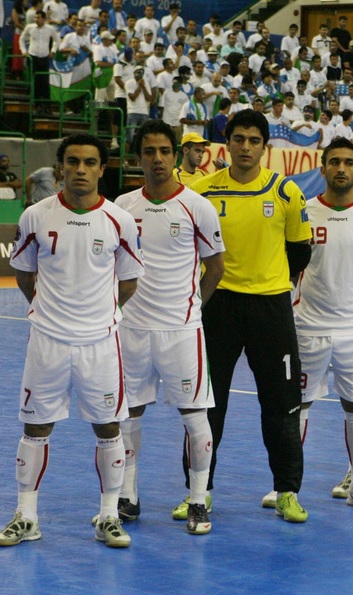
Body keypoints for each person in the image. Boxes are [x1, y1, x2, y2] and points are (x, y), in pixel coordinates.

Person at [0, 134, 144, 549]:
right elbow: (25, 274)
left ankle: (110, 516)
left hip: (100, 343)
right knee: (35, 426)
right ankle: (27, 516)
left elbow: (128, 281)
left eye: (90, 162)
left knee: (109, 427)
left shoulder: (120, 220)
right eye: (73, 161)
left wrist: (97, 314)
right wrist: (49, 311)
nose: (81, 169)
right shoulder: (36, 216)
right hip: (47, 340)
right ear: (61, 167)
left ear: (102, 169)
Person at [186, 110, 311, 524]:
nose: (245, 147)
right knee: (207, 404)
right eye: (238, 139)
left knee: (282, 405)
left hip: (271, 308)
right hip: (218, 305)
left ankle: (287, 491)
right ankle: (198, 492)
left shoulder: (285, 191)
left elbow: (300, 253)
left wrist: (269, 279)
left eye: (254, 140)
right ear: (227, 144)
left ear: (264, 147)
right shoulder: (202, 192)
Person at [114, 121, 223, 534]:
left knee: (196, 417)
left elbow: (215, 269)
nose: (157, 159)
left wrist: (192, 309)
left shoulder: (198, 207)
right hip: (133, 331)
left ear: (175, 156)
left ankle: (198, 500)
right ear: (137, 157)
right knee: (128, 416)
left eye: (164, 151)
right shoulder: (122, 207)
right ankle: (128, 495)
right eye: (149, 151)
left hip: (181, 332)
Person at [293, 137, 353, 511]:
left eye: (348, 162)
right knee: (297, 407)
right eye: (334, 162)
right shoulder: (304, 212)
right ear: (323, 168)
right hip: (308, 328)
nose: (341, 168)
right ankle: (288, 486)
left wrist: (350, 300)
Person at [20, 10, 60, 111]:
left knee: (45, 82)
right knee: (36, 81)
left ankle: (47, 106)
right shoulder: (30, 27)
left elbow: (57, 40)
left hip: (45, 57)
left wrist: (53, 51)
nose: (36, 19)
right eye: (35, 17)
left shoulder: (50, 29)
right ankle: (37, 105)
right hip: (33, 57)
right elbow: (21, 38)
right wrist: (24, 51)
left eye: (38, 17)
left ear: (44, 19)